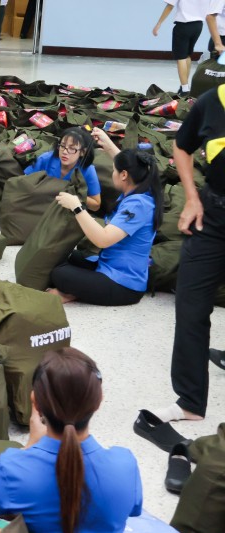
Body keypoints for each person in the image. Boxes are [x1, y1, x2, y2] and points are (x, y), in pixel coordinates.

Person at [0, 348, 142, 532]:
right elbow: (133, 510)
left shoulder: (12, 467)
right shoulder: (125, 464)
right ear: (99, 401)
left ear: (35, 402)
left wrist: (30, 447)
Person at [150, 85, 225, 424]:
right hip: (213, 215)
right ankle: (191, 401)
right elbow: (182, 146)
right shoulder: (214, 101)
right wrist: (192, 198)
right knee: (191, 305)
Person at [48, 148, 163, 306]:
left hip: (123, 285)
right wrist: (106, 142)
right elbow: (129, 163)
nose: (112, 174)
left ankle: (71, 293)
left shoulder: (138, 205)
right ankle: (77, 290)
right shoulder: (139, 192)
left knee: (59, 274)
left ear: (124, 175)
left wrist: (76, 207)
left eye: (114, 170)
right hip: (108, 265)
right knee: (70, 256)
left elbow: (103, 240)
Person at [24, 126, 102, 212]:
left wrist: (74, 196)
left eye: (72, 148)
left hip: (66, 211)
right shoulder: (45, 159)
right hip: (39, 204)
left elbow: (96, 205)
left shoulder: (88, 170)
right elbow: (25, 182)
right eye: (62, 146)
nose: (65, 152)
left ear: (82, 152)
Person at [153, 0, 208, 96]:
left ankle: (185, 89)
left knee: (181, 57)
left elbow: (170, 6)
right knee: (187, 55)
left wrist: (159, 23)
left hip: (183, 25)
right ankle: (184, 85)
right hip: (198, 25)